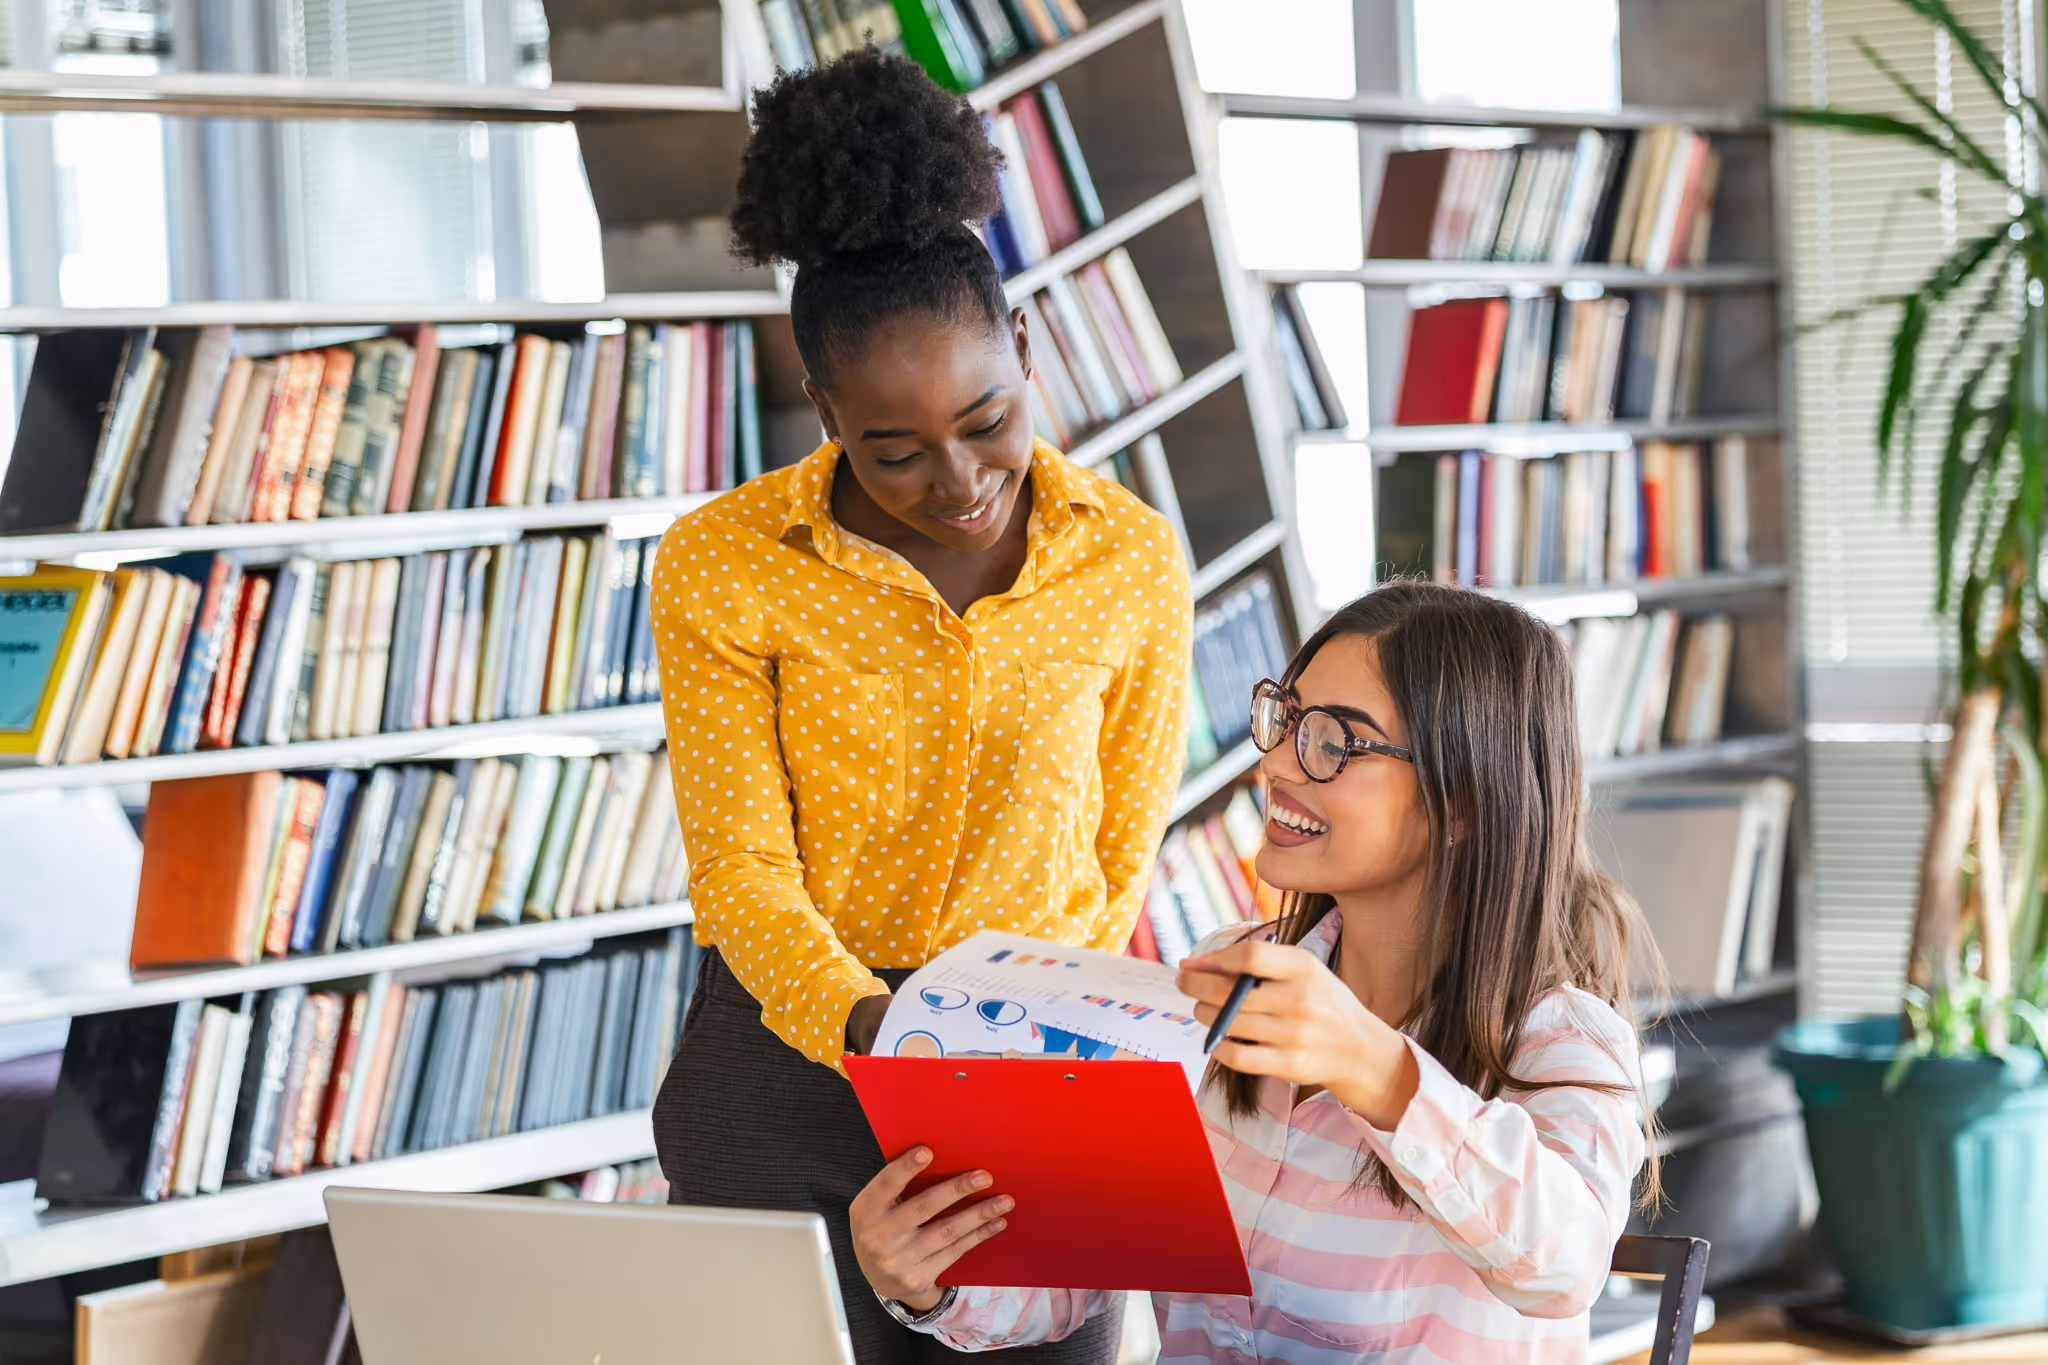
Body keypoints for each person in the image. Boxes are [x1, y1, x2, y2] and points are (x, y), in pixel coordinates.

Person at [646, 46, 1194, 1365]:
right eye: (893, 449)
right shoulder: (726, 564)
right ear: (824, 410)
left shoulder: (1126, 557)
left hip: (1035, 1081)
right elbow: (741, 875)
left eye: (987, 419)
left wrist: (1015, 1043)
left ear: (1023, 346)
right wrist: (882, 1033)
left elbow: (1121, 848)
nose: (956, 480)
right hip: (786, 1070)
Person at [849, 581, 1659, 1363]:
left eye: (1333, 740)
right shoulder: (1229, 974)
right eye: (1287, 718)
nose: (1276, 763)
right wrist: (929, 1275)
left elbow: (1565, 1265)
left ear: (1464, 803)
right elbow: (1088, 1266)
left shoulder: (1562, 1039)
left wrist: (1369, 1063)